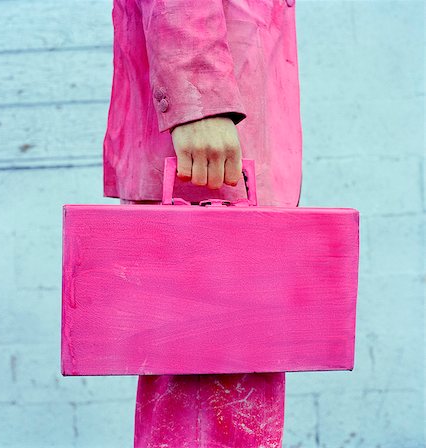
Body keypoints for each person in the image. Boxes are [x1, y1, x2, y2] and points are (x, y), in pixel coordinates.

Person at [104, 0, 303, 445]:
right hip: (213, 142)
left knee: (233, 390)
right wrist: (200, 101)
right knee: (211, 390)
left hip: (230, 134)